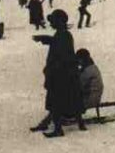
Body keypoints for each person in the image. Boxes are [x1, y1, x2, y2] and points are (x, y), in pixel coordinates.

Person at [30, 9, 86, 137]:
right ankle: (81, 124)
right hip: (69, 75)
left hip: (60, 76)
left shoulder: (62, 35)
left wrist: (50, 71)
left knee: (55, 102)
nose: (51, 23)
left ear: (59, 22)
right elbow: (59, 44)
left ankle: (58, 129)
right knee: (73, 100)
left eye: (53, 21)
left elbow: (60, 54)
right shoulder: (64, 34)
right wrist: (46, 39)